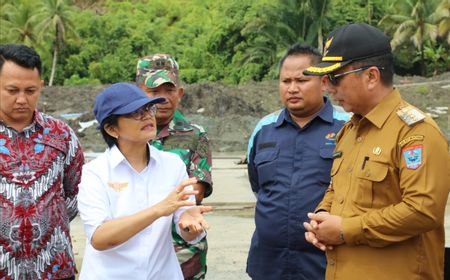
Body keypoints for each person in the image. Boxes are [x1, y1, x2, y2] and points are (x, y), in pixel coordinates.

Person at [303, 23, 449, 280]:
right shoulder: (349, 131)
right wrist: (322, 217)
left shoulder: (415, 132)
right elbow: (337, 189)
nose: (327, 88)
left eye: (334, 78)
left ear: (371, 76)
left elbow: (422, 210)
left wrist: (345, 229)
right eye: (324, 79)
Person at [77, 82, 211, 279]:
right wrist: (158, 210)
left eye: (149, 108)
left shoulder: (172, 165)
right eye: (135, 113)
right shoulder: (95, 173)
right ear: (112, 129)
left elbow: (187, 227)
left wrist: (189, 225)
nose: (147, 116)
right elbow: (100, 238)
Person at [246, 44, 349, 280]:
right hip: (269, 264)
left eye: (301, 81)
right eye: (285, 81)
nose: (292, 88)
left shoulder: (347, 126)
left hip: (325, 263)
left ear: (323, 82)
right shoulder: (264, 129)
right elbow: (258, 186)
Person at [0, 44, 84, 280]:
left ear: (41, 87)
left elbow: (75, 191)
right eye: (12, 90)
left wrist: (47, 223)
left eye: (30, 90)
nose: (21, 99)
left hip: (53, 268)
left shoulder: (61, 134)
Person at [135, 54, 212, 280]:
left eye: (169, 91)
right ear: (139, 92)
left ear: (180, 93)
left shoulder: (195, 135)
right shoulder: (126, 134)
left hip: (181, 248)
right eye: (154, 92)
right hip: (136, 246)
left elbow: (194, 191)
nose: (163, 98)